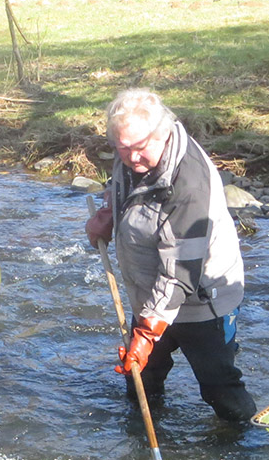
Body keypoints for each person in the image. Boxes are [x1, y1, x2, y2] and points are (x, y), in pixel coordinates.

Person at [85, 88, 256, 421]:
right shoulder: (133, 154)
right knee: (141, 384)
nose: (132, 158)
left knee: (220, 388)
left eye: (139, 148)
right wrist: (109, 212)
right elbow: (124, 184)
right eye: (122, 148)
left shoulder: (189, 184)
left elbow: (179, 273)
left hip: (202, 302)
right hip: (150, 297)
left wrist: (147, 335)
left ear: (162, 133)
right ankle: (143, 446)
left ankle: (246, 445)